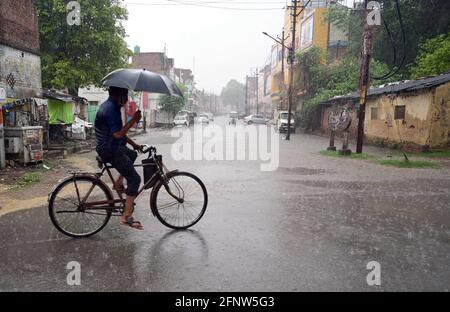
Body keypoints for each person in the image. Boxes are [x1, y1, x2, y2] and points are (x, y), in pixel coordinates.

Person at [95, 86, 144, 230]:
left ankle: (118, 183)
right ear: (119, 95)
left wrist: (134, 145)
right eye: (125, 95)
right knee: (135, 179)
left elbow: (118, 133)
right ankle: (126, 216)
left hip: (109, 146)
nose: (127, 99)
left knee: (133, 154)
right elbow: (118, 134)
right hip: (111, 150)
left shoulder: (109, 106)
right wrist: (134, 120)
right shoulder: (112, 110)